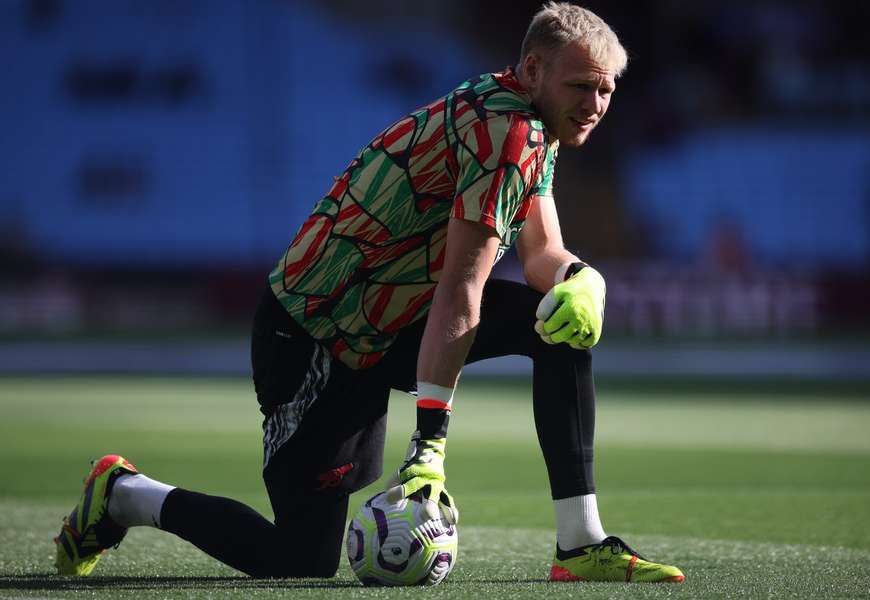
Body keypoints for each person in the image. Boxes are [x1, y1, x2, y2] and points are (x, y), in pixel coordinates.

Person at [54, 2, 683, 584]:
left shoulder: (527, 119)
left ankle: (580, 545)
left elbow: (541, 252)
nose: (596, 103)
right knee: (300, 560)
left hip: (387, 317)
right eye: (582, 86)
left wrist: (580, 279)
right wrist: (428, 448)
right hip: (315, 333)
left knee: (562, 322)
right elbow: (462, 287)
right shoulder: (507, 134)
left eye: (606, 89)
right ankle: (124, 494)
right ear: (533, 69)